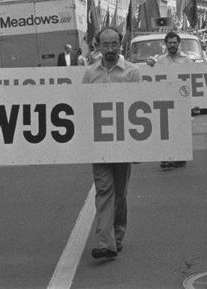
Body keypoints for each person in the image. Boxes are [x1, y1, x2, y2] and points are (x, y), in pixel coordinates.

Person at [82, 27, 142, 260]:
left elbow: (142, 109)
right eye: (105, 44)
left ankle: (117, 235)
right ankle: (104, 242)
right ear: (97, 46)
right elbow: (83, 106)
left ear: (120, 45)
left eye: (114, 44)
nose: (110, 49)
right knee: (104, 189)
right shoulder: (90, 74)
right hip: (99, 144)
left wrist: (139, 148)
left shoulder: (133, 72)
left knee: (120, 194)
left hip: (124, 144)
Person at [147, 31, 192, 168]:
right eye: (170, 43)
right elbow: (153, 77)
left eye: (174, 42)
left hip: (181, 100)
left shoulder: (187, 60)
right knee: (166, 130)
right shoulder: (160, 61)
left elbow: (194, 78)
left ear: (179, 44)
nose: (172, 45)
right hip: (165, 101)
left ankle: (180, 156)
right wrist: (149, 67)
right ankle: (166, 157)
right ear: (165, 44)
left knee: (180, 129)